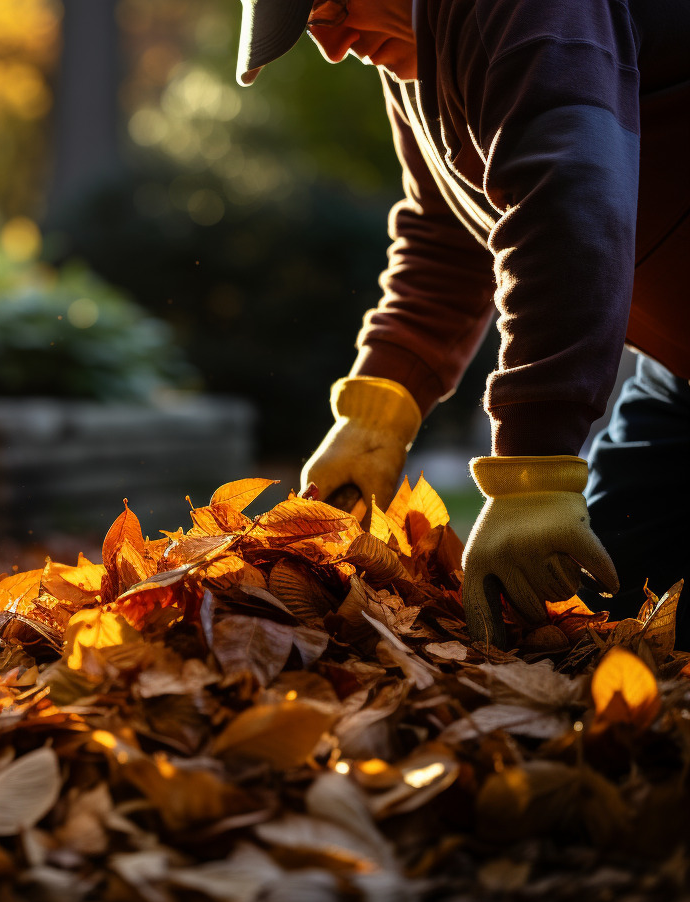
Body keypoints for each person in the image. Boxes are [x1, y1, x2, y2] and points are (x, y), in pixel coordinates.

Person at [235, 0, 689, 645]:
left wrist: (534, 463)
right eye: (312, 27)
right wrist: (382, 403)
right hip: (679, 379)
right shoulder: (416, 57)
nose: (334, 48)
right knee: (600, 620)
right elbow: (446, 229)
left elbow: (568, 203)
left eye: (333, 7)